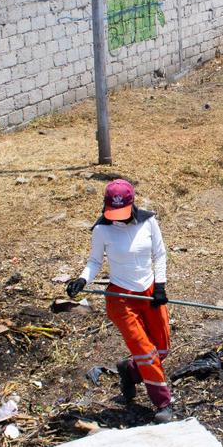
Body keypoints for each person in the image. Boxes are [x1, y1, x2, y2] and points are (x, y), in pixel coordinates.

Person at [66, 179, 175, 423]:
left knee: (161, 349)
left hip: (149, 292)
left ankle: (129, 370)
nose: (118, 218)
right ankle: (162, 402)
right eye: (113, 212)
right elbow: (94, 261)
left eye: (123, 212)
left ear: (132, 205)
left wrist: (160, 285)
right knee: (146, 352)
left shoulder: (148, 222)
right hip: (121, 298)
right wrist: (83, 280)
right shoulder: (102, 229)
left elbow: (159, 254)